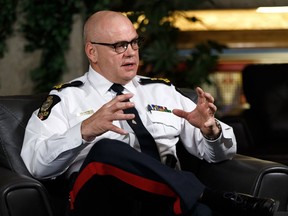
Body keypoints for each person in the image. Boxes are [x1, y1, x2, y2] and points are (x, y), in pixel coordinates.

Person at [21, 10, 278, 216]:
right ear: (92, 51)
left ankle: (200, 198)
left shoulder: (162, 91)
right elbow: (36, 165)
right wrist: (84, 130)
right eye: (119, 45)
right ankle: (209, 195)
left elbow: (221, 154)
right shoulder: (66, 98)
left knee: (200, 212)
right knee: (106, 150)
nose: (131, 51)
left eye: (134, 42)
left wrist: (211, 131)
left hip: (165, 200)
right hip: (103, 203)